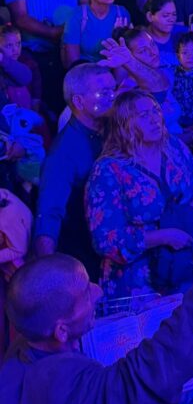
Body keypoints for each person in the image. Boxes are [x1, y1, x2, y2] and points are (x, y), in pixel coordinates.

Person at [0, 184, 193, 404]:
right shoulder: (64, 392)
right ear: (61, 331)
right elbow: (149, 376)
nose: (97, 292)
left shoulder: (25, 345)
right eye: (86, 294)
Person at [85, 89, 193, 297]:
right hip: (138, 284)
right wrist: (162, 237)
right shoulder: (108, 170)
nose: (154, 119)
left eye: (156, 111)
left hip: (185, 266)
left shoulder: (174, 147)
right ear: (124, 125)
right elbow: (104, 241)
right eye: (143, 115)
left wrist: (192, 215)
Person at [33, 64, 117, 276]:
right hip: (87, 250)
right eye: (104, 93)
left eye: (113, 90)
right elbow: (49, 213)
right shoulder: (63, 153)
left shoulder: (114, 125)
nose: (113, 97)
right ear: (79, 101)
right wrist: (49, 273)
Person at [5, 0, 86, 113]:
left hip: (74, 46)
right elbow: (21, 18)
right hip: (37, 53)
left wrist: (70, 32)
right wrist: (55, 32)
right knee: (48, 104)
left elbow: (84, 6)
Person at [62, 0, 130, 66]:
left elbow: (127, 54)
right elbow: (73, 60)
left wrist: (119, 36)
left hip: (114, 67)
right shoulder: (76, 16)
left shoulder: (122, 13)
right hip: (85, 69)